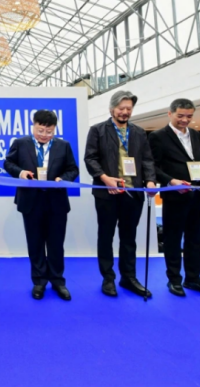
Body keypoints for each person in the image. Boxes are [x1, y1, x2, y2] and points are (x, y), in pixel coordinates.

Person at [148, 99, 200, 297]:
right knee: (173, 240)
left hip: (197, 195)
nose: (185, 120)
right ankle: (174, 280)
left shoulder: (195, 134)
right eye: (180, 116)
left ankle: (193, 279)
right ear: (170, 113)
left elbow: (199, 163)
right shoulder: (158, 136)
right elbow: (152, 166)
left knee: (196, 240)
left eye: (189, 116)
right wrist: (171, 181)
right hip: (175, 197)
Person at [84, 91, 157, 298]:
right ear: (112, 109)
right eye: (121, 108)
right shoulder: (98, 130)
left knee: (129, 238)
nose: (125, 112)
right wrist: (104, 178)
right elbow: (90, 159)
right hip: (107, 193)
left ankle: (129, 277)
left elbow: (147, 160)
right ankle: (108, 278)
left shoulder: (139, 132)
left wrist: (150, 180)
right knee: (105, 237)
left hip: (133, 193)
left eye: (128, 109)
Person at [4, 110, 79, 300]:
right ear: (33, 125)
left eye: (49, 131)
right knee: (35, 244)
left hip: (56, 202)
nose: (44, 135)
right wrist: (20, 173)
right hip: (31, 201)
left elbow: (73, 169)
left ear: (55, 129)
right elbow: (8, 163)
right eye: (40, 130)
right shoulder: (20, 143)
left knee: (56, 244)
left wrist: (63, 178)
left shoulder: (63, 146)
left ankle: (58, 281)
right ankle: (39, 282)